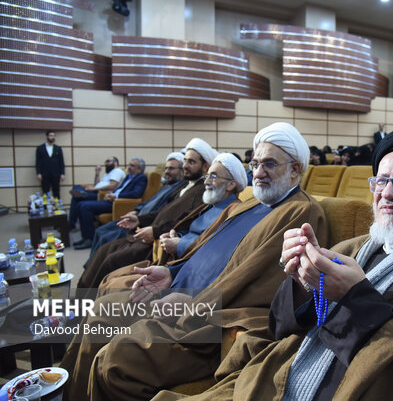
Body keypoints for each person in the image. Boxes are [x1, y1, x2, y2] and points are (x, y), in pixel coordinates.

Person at [184, 126, 393, 401]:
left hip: (207, 319)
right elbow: (283, 327)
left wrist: (355, 300)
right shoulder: (350, 248)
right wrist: (303, 285)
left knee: (139, 338)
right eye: (381, 181)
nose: (388, 193)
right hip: (263, 369)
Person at [59, 122, 328, 401]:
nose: (258, 173)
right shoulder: (250, 204)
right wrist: (171, 270)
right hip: (175, 292)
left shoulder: (301, 212)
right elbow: (203, 248)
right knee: (101, 312)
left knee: (115, 360)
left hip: (206, 321)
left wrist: (193, 301)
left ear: (295, 169)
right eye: (255, 163)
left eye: (269, 164)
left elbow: (265, 286)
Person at [76, 138, 217, 289]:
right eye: (185, 161)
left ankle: (87, 302)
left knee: (111, 260)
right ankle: (81, 297)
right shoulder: (184, 184)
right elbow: (161, 210)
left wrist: (155, 231)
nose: (185, 166)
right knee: (103, 250)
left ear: (205, 167)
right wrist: (138, 219)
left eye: (191, 162)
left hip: (155, 242)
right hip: (146, 232)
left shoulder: (204, 190)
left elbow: (187, 221)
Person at [86, 152, 185, 260]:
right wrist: (136, 211)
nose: (167, 172)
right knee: (100, 230)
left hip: (143, 223)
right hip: (137, 216)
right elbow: (148, 202)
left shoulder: (179, 189)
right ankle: (89, 265)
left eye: (171, 169)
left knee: (105, 238)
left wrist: (140, 218)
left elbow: (161, 211)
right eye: (166, 168)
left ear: (182, 170)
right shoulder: (167, 185)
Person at [158, 153, 247, 260]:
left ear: (231, 184)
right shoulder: (210, 205)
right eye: (207, 176)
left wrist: (180, 245)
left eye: (213, 176)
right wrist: (176, 236)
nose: (206, 182)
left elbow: (220, 249)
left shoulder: (235, 211)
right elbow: (193, 232)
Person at [73, 158, 148, 249]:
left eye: (132, 166)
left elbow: (136, 194)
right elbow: (119, 189)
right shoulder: (128, 176)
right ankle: (85, 237)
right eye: (129, 165)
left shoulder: (141, 178)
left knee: (84, 206)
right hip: (112, 200)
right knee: (80, 204)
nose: (129, 167)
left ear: (139, 169)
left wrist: (116, 196)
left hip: (118, 204)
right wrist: (110, 194)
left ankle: (89, 239)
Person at [68, 156, 125, 229]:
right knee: (76, 187)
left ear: (115, 163)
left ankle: (71, 224)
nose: (106, 163)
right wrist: (97, 173)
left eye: (108, 161)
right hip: (95, 191)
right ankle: (81, 194)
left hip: (100, 194)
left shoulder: (117, 171)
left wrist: (93, 190)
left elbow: (112, 186)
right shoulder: (108, 173)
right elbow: (96, 184)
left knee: (76, 197)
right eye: (106, 161)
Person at [35, 130, 65, 198]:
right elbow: (38, 162)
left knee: (56, 192)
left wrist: (62, 173)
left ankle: (57, 207)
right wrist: (38, 173)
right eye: (51, 136)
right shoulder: (40, 148)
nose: (53, 137)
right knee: (45, 192)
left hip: (56, 174)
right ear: (47, 136)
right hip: (44, 174)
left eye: (54, 136)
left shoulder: (58, 148)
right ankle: (46, 208)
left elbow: (61, 162)